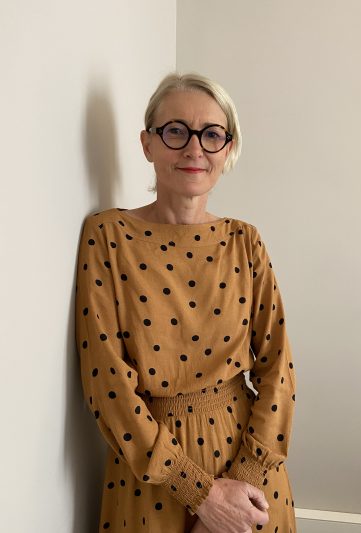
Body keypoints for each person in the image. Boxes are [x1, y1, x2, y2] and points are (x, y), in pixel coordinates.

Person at [75, 72, 297, 533]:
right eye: (176, 131)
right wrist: (201, 494)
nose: (195, 148)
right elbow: (107, 384)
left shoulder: (245, 241)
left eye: (212, 134)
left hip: (247, 466)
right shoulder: (108, 236)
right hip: (150, 473)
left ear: (227, 149)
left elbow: (278, 370)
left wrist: (241, 486)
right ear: (147, 144)